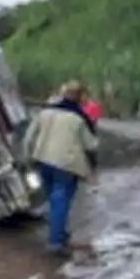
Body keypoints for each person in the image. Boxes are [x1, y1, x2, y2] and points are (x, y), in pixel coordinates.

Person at [23, 81, 99, 256]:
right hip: (67, 164)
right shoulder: (79, 118)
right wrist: (92, 169)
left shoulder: (44, 112)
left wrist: (27, 157)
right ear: (80, 98)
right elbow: (91, 146)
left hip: (42, 161)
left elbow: (28, 138)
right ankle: (55, 242)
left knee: (53, 199)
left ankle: (60, 233)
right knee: (61, 200)